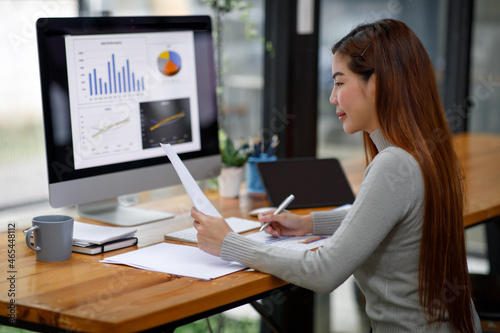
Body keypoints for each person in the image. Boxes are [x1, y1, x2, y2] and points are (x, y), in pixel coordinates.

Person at [191, 18, 481, 332]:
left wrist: (229, 243)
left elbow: (324, 271)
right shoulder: (430, 151)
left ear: (378, 83)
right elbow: (385, 218)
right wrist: (308, 223)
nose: (332, 98)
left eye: (340, 82)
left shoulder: (394, 165)